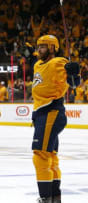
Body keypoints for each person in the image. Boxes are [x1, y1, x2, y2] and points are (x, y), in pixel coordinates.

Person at [31, 35, 80, 203]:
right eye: (38, 46)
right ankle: (54, 196)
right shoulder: (37, 64)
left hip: (51, 111)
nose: (39, 49)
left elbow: (73, 83)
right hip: (41, 113)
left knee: (40, 153)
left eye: (43, 46)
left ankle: (45, 197)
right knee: (50, 154)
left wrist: (74, 73)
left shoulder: (59, 62)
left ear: (52, 48)